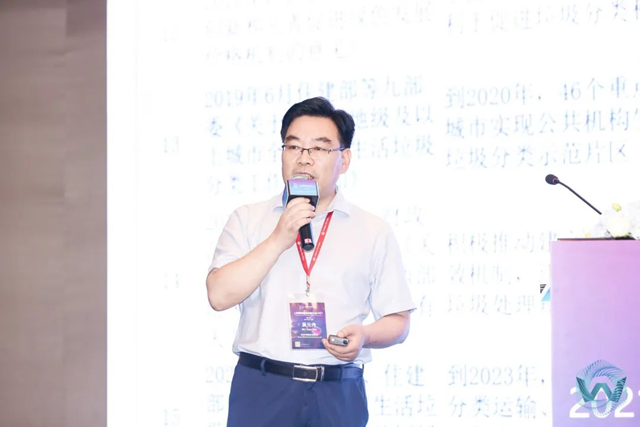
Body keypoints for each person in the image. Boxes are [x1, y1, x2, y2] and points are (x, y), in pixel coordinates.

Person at [206, 97, 415, 427]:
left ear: (344, 158)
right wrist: (278, 238)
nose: (303, 158)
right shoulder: (248, 219)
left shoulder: (372, 230)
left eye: (318, 148)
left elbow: (399, 320)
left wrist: (365, 335)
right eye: (293, 147)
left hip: (337, 392)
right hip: (262, 388)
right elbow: (219, 296)